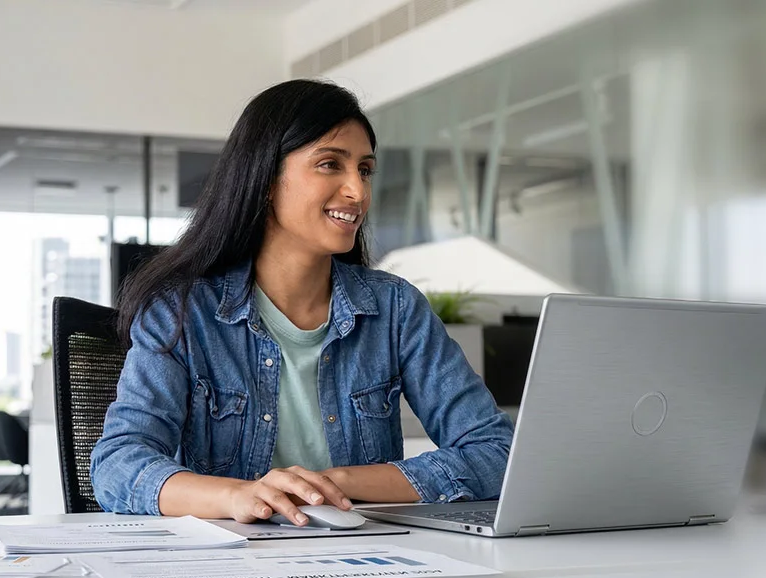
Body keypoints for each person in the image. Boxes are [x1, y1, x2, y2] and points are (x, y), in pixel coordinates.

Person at [90, 79, 513, 526]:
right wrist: (241, 497)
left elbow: (495, 453)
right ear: (266, 181)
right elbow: (118, 465)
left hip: (362, 559)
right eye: (330, 164)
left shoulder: (395, 309)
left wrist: (338, 483)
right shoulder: (181, 311)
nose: (358, 191)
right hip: (227, 567)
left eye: (365, 169)